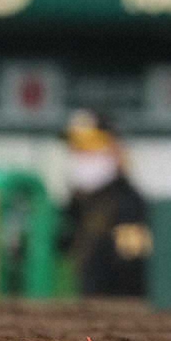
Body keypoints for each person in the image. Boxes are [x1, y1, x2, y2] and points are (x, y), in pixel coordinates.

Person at [57, 110, 152, 297]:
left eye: (91, 146)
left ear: (115, 150)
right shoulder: (77, 205)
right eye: (76, 148)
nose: (81, 156)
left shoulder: (129, 205)